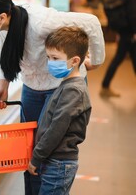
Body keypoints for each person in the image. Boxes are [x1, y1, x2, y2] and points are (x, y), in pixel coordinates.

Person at [0, 0, 105, 195]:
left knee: (51, 147)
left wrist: (96, 60)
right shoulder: (0, 29)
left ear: (1, 17)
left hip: (61, 87)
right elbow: (6, 53)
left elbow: (92, 22)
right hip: (32, 87)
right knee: (28, 150)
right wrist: (2, 85)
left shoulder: (41, 22)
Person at [27, 27, 91, 195]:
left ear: (75, 60)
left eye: (55, 58)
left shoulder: (73, 91)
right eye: (48, 57)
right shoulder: (67, 84)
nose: (50, 62)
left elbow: (57, 128)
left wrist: (37, 157)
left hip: (59, 163)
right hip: (54, 160)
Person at [100, 0, 136, 97]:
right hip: (129, 32)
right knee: (119, 58)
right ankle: (104, 86)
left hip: (126, 31)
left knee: (130, 58)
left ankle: (105, 86)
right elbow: (132, 13)